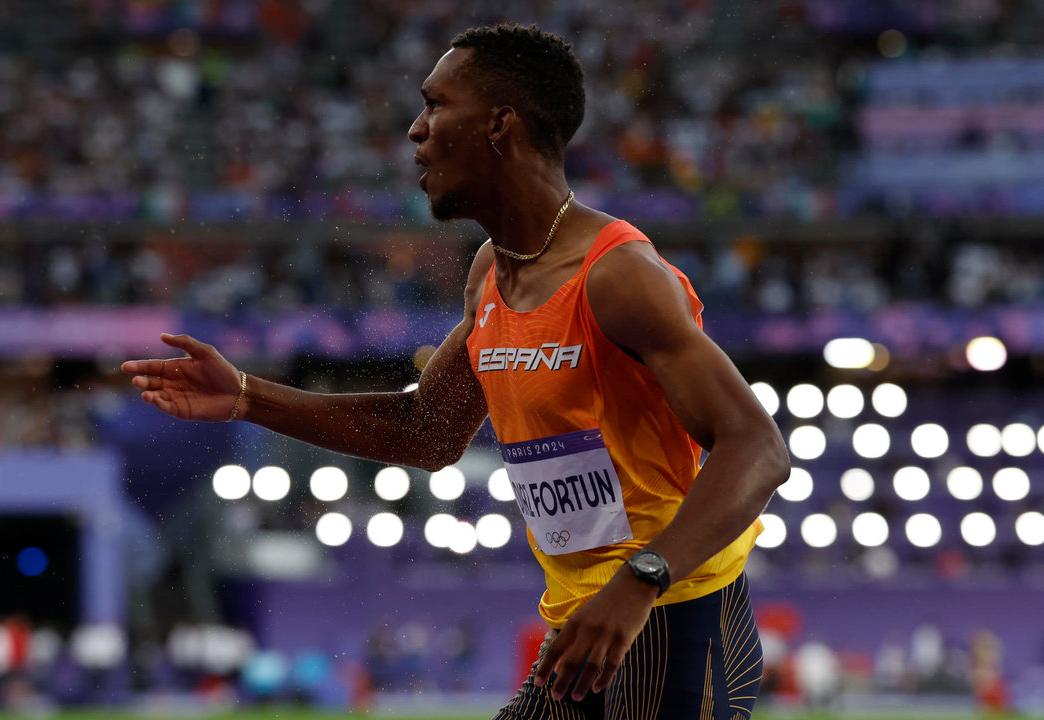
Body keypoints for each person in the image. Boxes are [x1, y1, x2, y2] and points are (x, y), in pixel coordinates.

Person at [122, 23, 790, 720]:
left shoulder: (616, 275)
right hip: (584, 624)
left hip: (672, 615)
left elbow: (759, 448)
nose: (415, 129)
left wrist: (638, 582)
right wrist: (248, 397)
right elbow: (427, 430)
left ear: (500, 123)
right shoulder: (492, 276)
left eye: (436, 104)